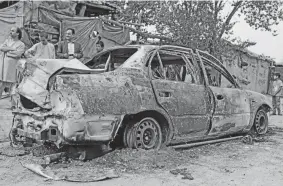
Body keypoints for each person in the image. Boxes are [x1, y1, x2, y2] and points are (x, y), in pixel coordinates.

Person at [0, 27, 25, 109]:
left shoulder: (21, 44)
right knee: (1, 85)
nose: (10, 32)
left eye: (12, 31)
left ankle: (13, 105)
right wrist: (11, 49)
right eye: (10, 30)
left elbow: (18, 54)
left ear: (17, 33)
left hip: (13, 69)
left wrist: (8, 53)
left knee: (13, 86)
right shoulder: (7, 41)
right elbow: (2, 48)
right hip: (4, 68)